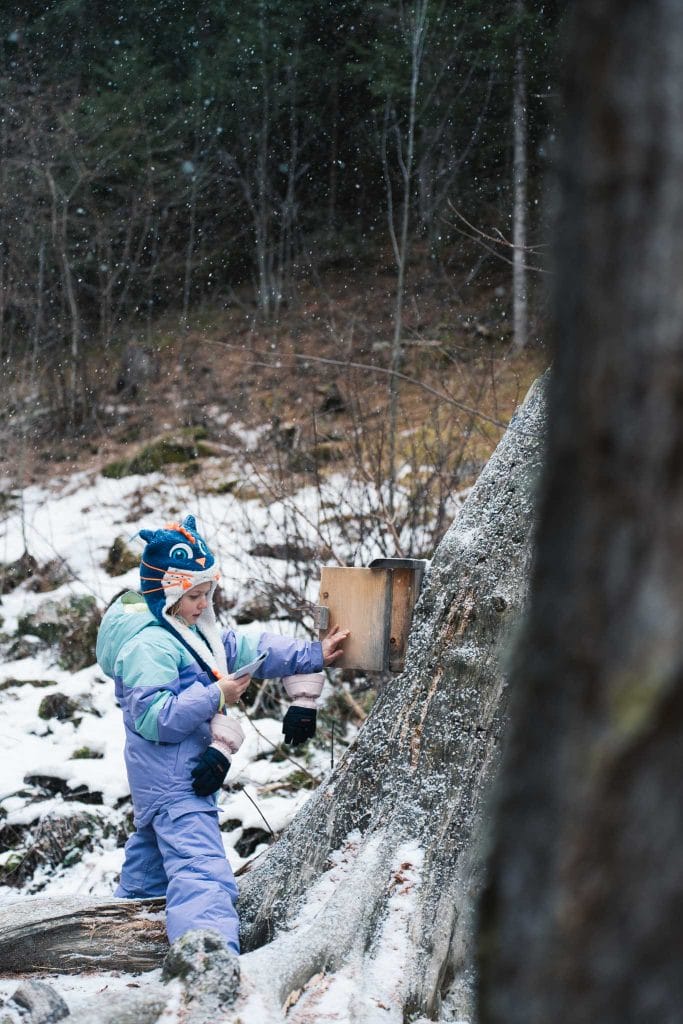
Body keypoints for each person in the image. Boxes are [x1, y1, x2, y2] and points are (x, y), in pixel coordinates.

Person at [96, 514, 348, 954]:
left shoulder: (192, 633)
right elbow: (153, 717)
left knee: (149, 875)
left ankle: (112, 945)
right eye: (193, 595)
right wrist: (216, 694)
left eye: (207, 593)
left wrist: (312, 653)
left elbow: (249, 648)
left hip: (173, 781)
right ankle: (206, 957)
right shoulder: (150, 646)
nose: (202, 603)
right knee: (204, 872)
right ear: (166, 593)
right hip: (175, 783)